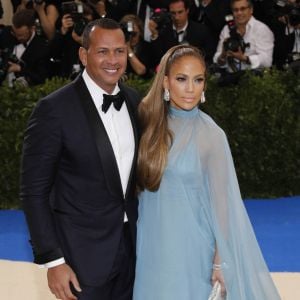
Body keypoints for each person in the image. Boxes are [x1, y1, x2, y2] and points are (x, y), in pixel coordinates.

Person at [133, 44, 281, 300]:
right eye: (182, 79)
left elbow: (223, 204)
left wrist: (219, 262)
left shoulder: (211, 135)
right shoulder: (147, 122)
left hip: (193, 249)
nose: (191, 88)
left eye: (198, 80)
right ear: (166, 82)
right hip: (150, 248)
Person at [20, 18, 140, 300]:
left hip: (133, 252)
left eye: (119, 51)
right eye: (103, 51)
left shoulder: (135, 102)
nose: (113, 60)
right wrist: (54, 261)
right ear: (84, 55)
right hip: (81, 258)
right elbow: (33, 192)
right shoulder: (53, 110)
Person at [148, 0, 216, 67]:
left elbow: (208, 58)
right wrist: (154, 34)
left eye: (180, 12)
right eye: (173, 13)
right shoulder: (164, 32)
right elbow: (158, 59)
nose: (176, 17)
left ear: (187, 10)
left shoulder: (201, 31)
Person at [213, 0, 274, 73]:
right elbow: (217, 61)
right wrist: (223, 55)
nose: (239, 13)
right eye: (236, 10)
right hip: (230, 79)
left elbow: (267, 61)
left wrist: (244, 58)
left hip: (255, 79)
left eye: (243, 9)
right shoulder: (226, 29)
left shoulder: (261, 29)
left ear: (251, 10)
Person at [0, 8, 49, 86]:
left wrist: (20, 69)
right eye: (16, 34)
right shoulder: (6, 34)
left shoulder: (42, 48)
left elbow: (42, 78)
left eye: (22, 35)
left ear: (32, 29)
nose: (18, 38)